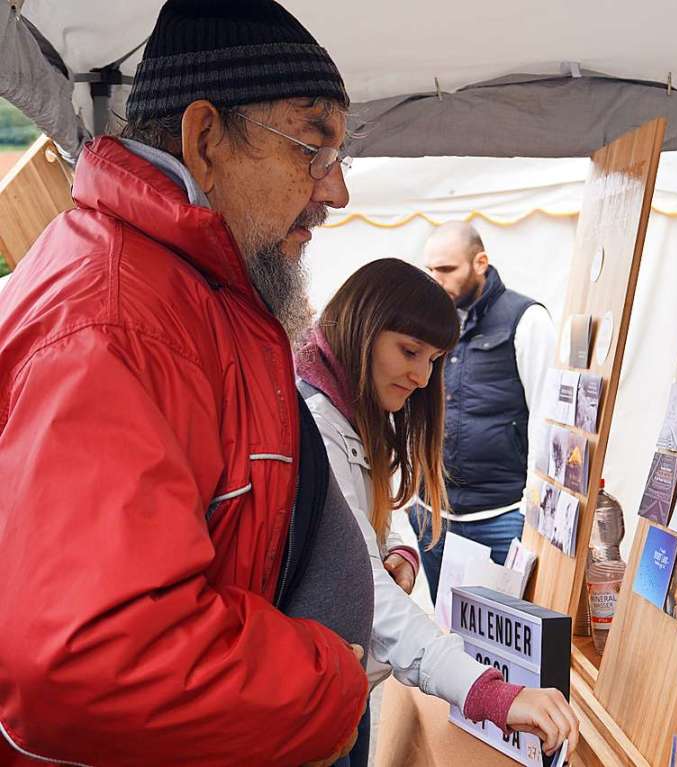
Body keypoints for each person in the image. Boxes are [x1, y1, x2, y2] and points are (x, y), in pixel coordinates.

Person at [0, 1, 371, 764]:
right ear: (205, 139)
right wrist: (328, 685)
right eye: (312, 145)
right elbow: (87, 658)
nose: (335, 192)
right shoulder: (116, 319)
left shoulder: (191, 285)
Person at [295, 258, 579, 764]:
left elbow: (372, 509)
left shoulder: (349, 408)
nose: (423, 378)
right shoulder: (318, 422)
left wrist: (400, 547)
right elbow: (370, 591)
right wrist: (491, 693)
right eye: (410, 352)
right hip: (311, 695)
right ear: (363, 326)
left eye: (433, 360)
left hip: (339, 682)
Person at [413, 222, 556, 600]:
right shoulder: (428, 320)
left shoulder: (527, 318)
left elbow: (547, 418)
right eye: (430, 270)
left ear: (480, 262)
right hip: (433, 515)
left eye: (446, 269)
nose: (435, 279)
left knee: (506, 642)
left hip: (502, 516)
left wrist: (531, 514)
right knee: (446, 637)